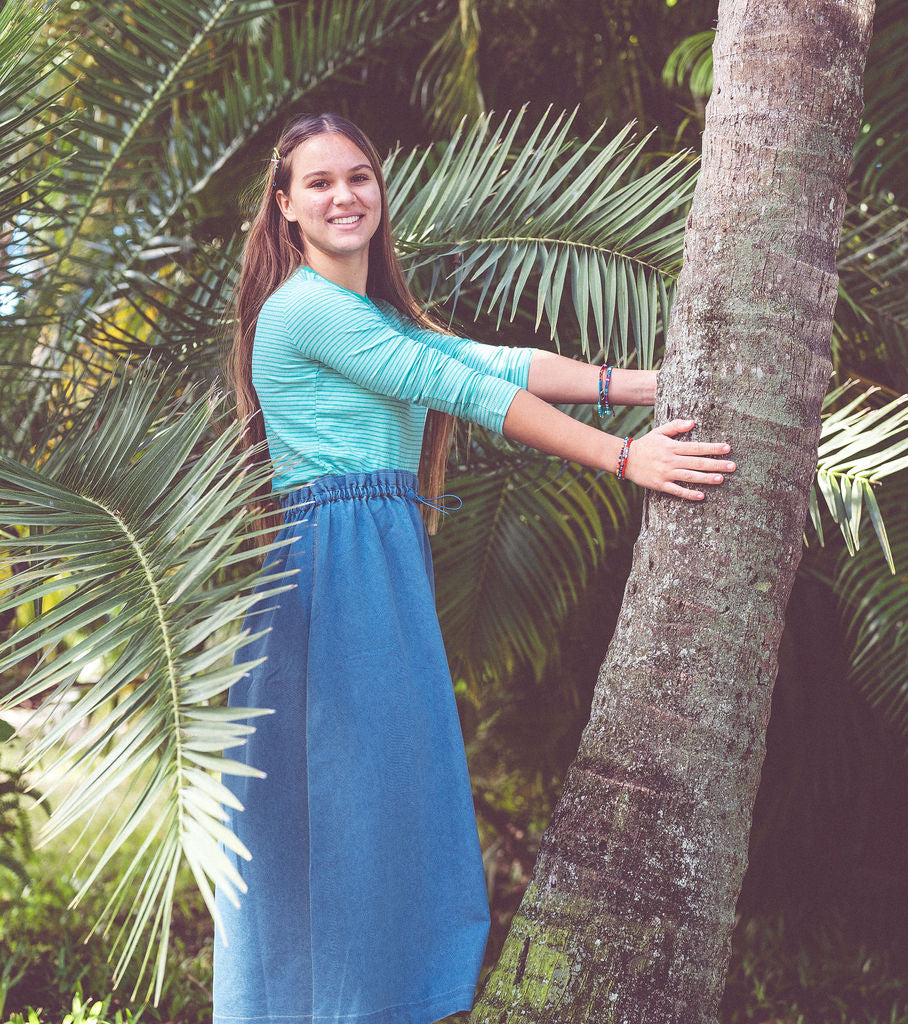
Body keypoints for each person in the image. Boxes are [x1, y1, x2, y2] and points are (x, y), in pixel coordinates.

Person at [216, 112, 735, 1024]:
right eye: (321, 183)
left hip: (371, 560)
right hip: (332, 576)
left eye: (360, 177)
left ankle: (375, 1002)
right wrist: (624, 458)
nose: (345, 195)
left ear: (381, 191)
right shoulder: (302, 307)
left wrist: (638, 385)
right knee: (350, 809)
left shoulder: (370, 312)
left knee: (387, 801)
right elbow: (459, 389)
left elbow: (481, 358)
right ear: (285, 207)